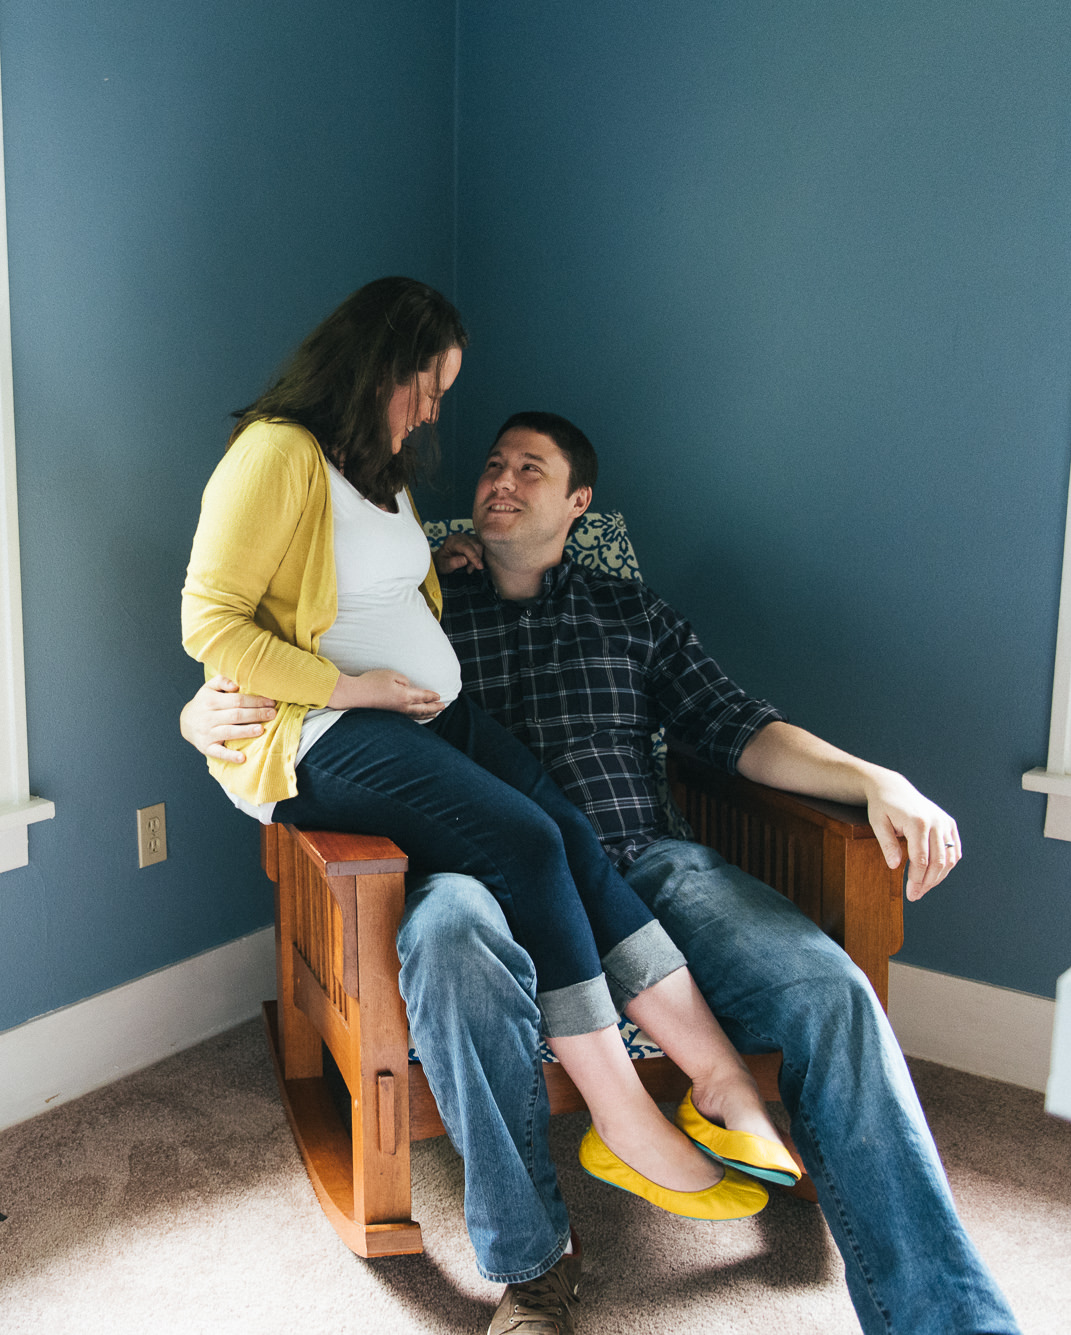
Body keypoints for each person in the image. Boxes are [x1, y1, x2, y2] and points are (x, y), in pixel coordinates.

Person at [181, 410, 1019, 1335]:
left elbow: (741, 728)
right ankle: (534, 1265)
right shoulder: (421, 612)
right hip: (471, 882)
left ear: (579, 502)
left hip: (650, 866)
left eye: (531, 470)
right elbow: (279, 669)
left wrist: (874, 780)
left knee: (834, 992)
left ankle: (947, 1319)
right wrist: (201, 717)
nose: (501, 480)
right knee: (449, 938)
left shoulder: (631, 612)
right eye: (493, 464)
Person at [181, 278, 809, 1253]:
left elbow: (380, 584)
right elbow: (209, 623)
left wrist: (451, 564)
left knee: (564, 829)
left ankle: (718, 1077)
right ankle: (620, 1116)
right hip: (323, 735)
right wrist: (359, 691)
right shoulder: (273, 453)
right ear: (381, 365)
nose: (435, 409)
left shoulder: (376, 469)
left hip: (431, 715)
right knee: (522, 842)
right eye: (429, 385)